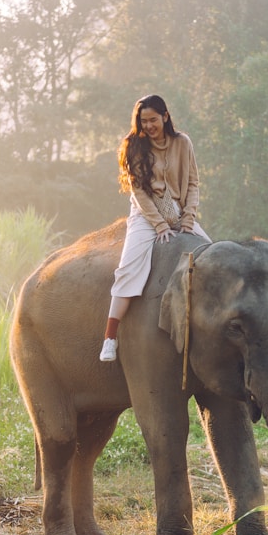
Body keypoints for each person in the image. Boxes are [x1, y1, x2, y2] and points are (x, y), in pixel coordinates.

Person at [99, 94, 211, 362]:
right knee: (128, 269)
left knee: (212, 258)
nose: (148, 125)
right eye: (143, 121)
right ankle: (110, 338)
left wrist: (188, 218)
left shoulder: (183, 143)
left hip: (181, 212)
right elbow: (138, 192)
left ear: (165, 116)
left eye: (152, 120)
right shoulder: (134, 146)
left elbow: (193, 183)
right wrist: (159, 225)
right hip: (146, 214)